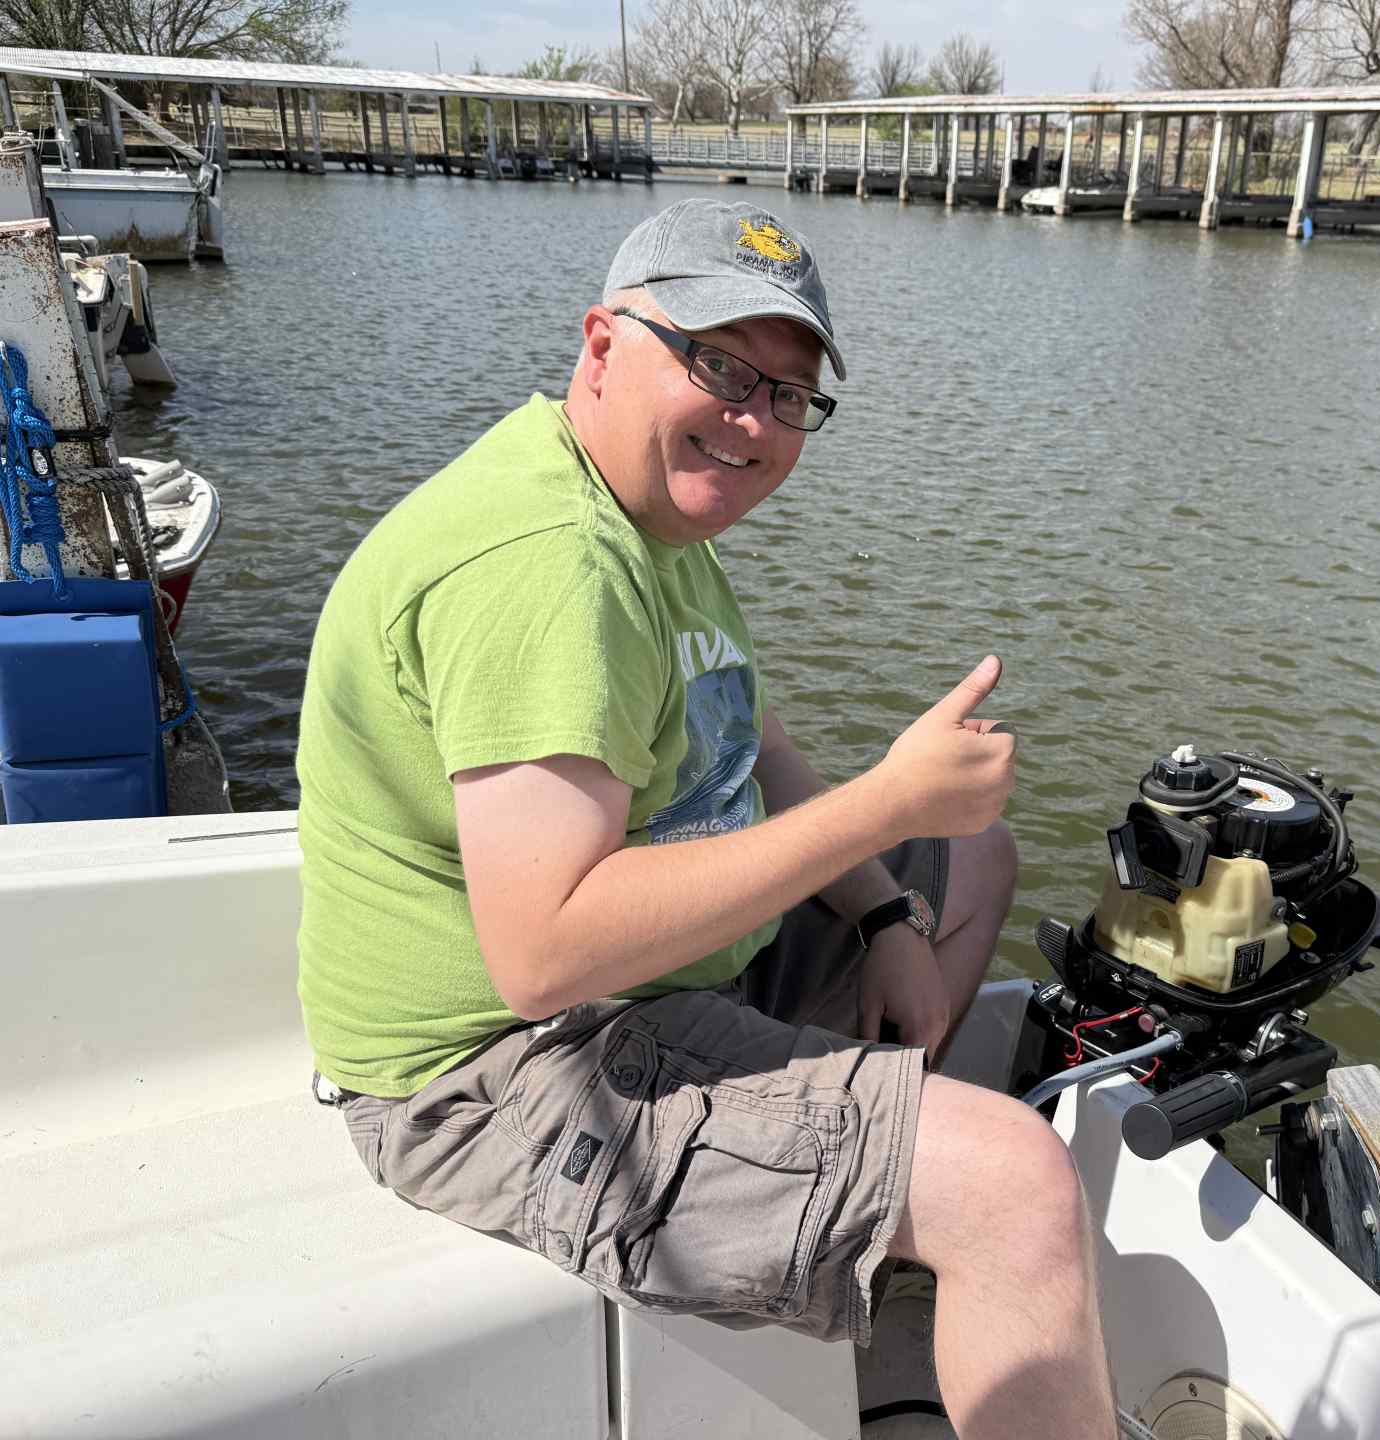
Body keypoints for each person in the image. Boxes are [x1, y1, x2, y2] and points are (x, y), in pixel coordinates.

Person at [295, 198, 1115, 1437]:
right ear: (603, 344)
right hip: (505, 1073)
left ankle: (855, 1197)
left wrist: (890, 907)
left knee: (974, 856)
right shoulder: (549, 564)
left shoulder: (654, 521)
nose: (755, 423)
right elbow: (546, 957)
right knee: (1016, 1186)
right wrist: (887, 799)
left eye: (789, 397)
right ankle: (916, 1203)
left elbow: (754, 744)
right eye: (722, 366)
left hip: (655, 985)